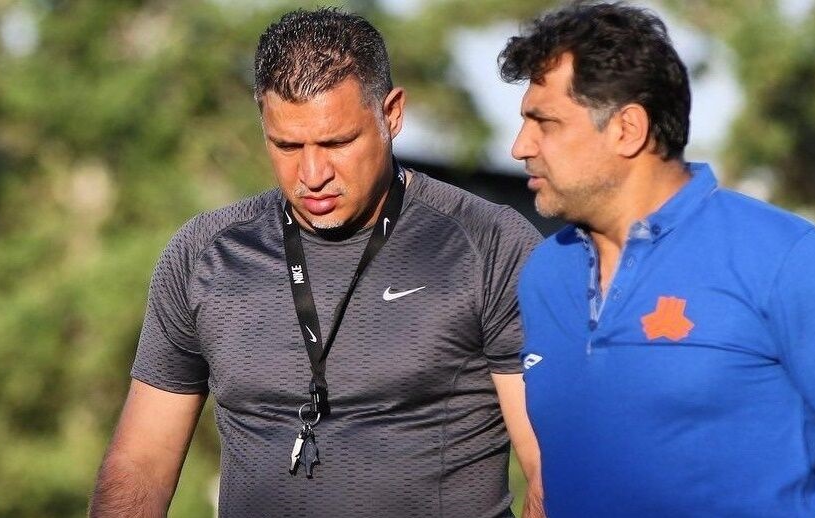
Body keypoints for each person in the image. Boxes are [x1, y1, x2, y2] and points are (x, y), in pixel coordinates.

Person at [89, 8, 543, 518]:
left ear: (392, 114)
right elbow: (141, 465)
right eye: (286, 145)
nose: (312, 173)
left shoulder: (490, 245)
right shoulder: (203, 255)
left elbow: (552, 467)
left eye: (336, 142)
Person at [500, 3, 815, 517]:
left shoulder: (784, 256)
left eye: (544, 123)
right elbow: (553, 479)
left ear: (627, 129)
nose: (519, 147)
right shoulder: (545, 273)